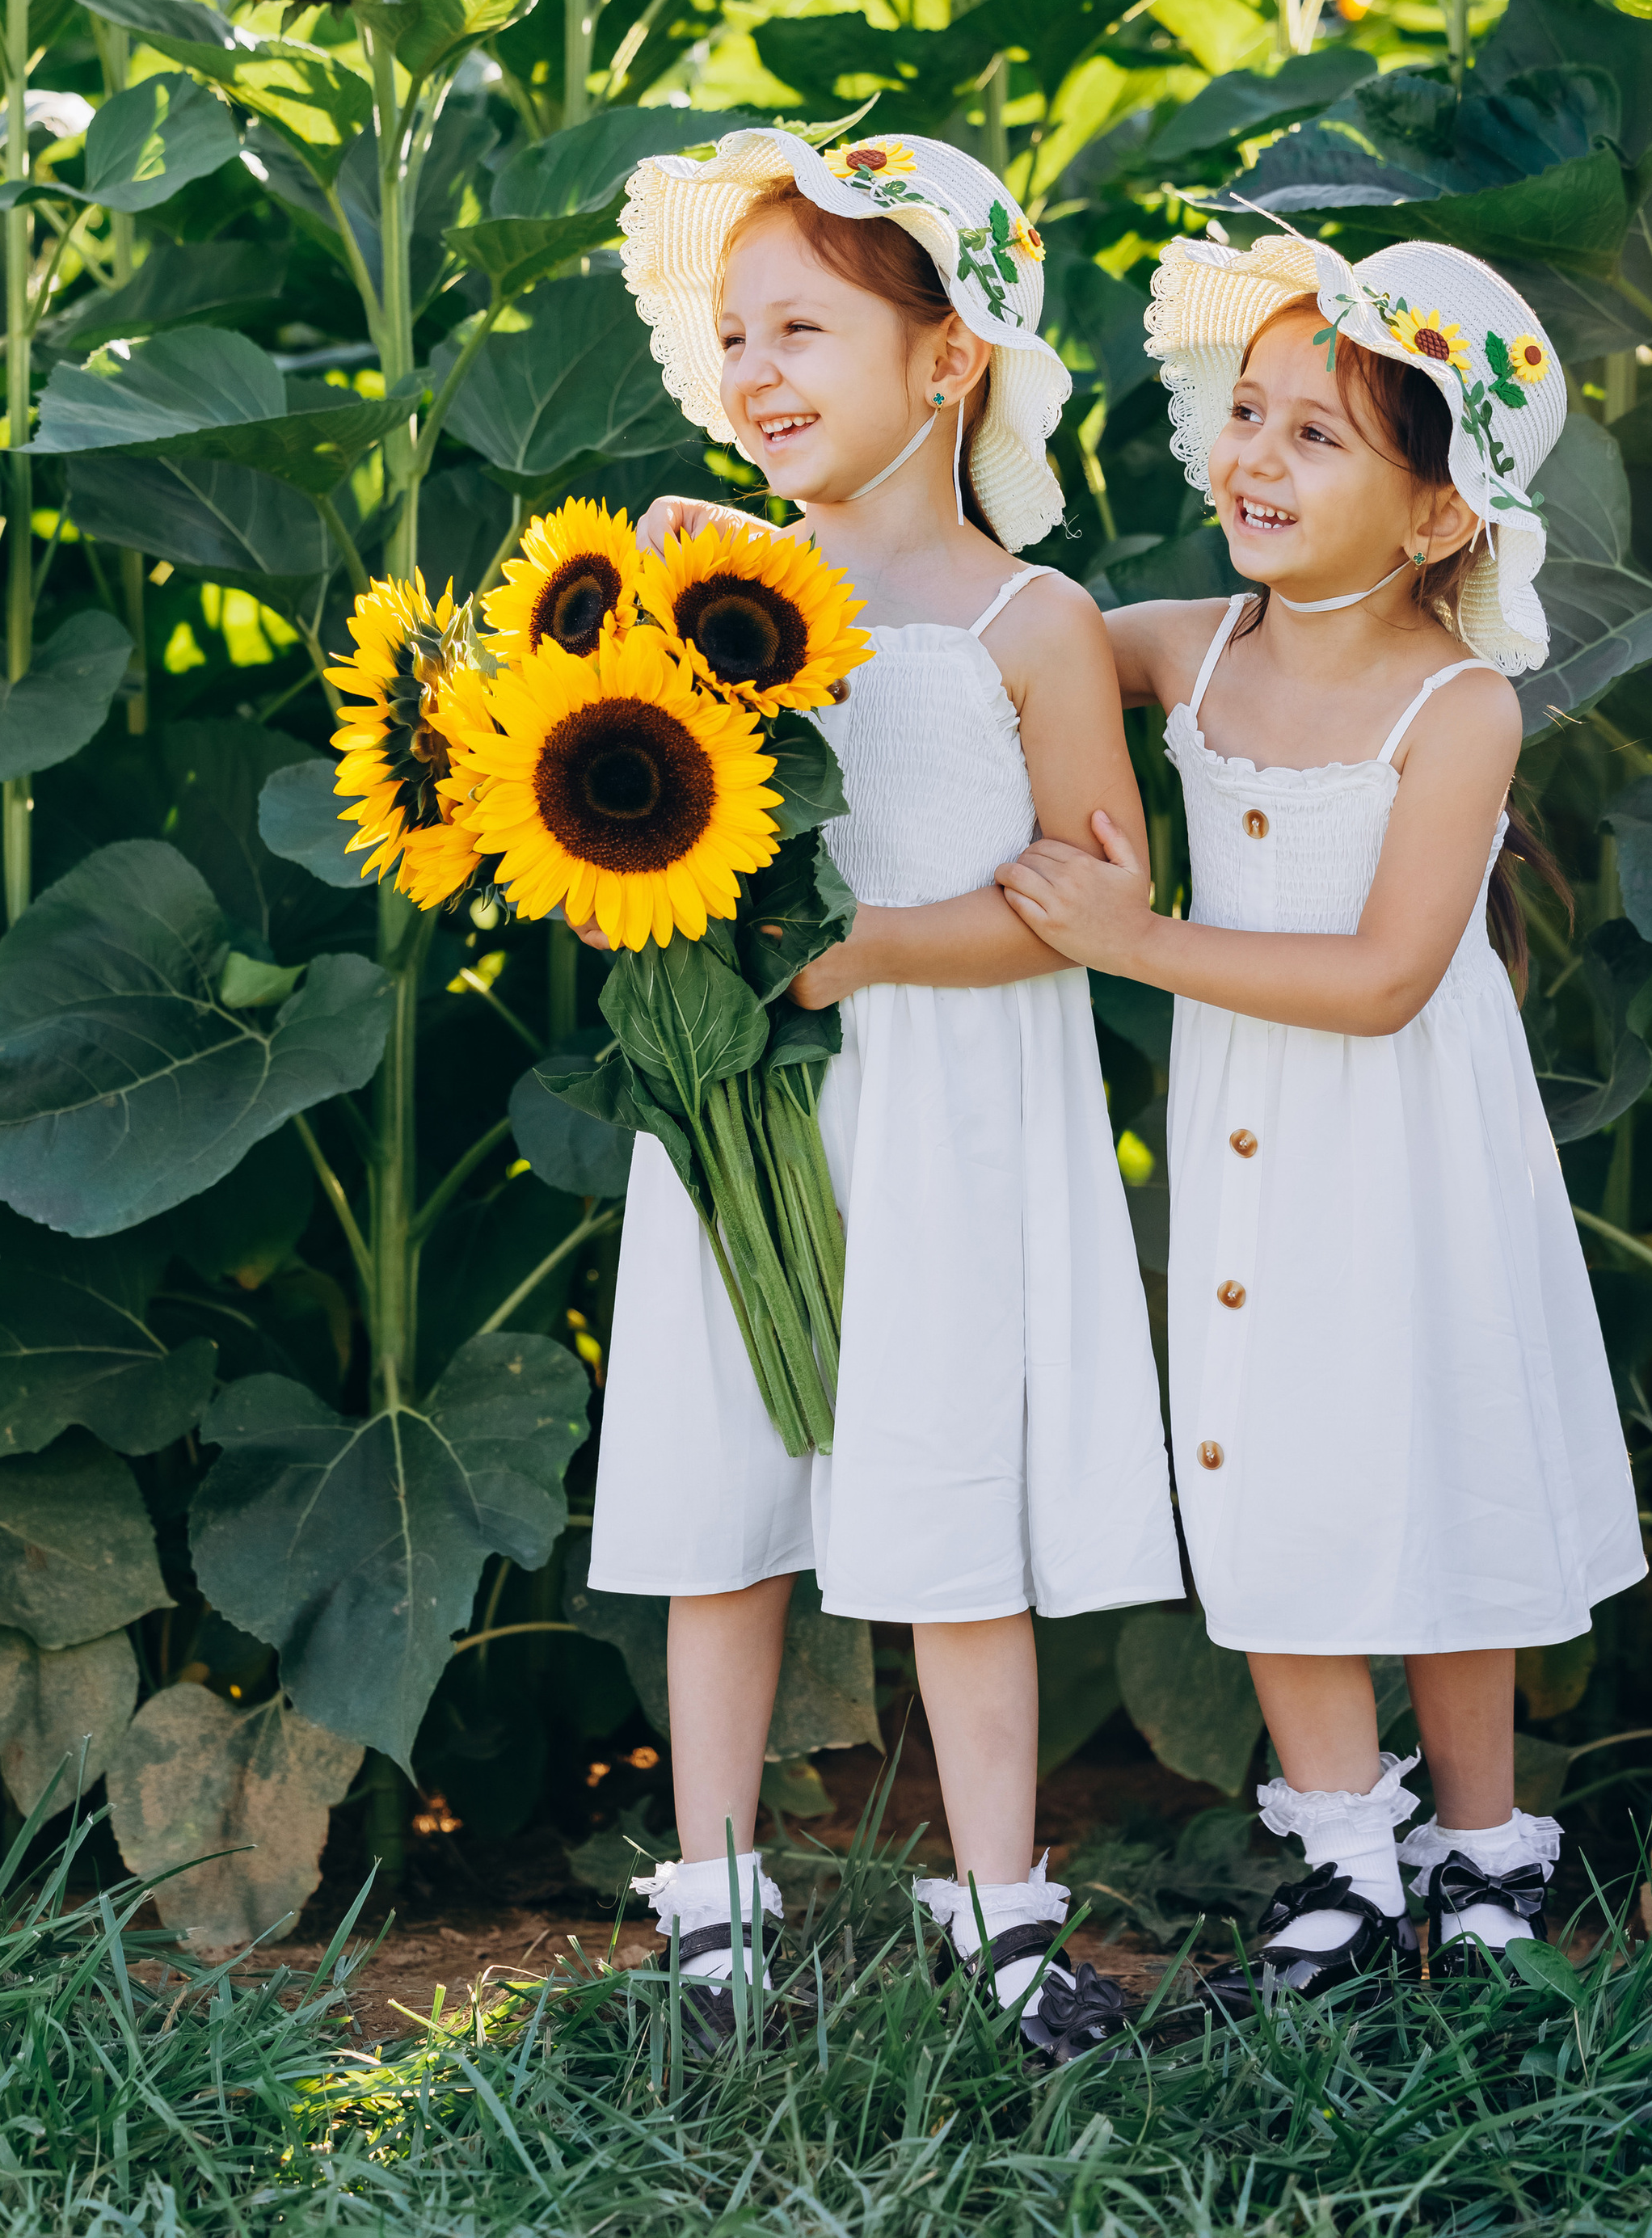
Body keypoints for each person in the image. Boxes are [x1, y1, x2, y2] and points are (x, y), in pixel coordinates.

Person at [997, 223, 1644, 2004]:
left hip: (1408, 1148)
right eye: (1248, 413)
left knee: (1438, 1460)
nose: (1252, 458)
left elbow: (1380, 976)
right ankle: (1345, 1852)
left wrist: (1135, 937)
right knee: (1264, 1463)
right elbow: (1021, 637)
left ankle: (1482, 1849)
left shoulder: (1458, 707)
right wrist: (780, 567)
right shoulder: (1193, 649)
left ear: (1438, 514)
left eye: (1316, 434)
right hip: (1246, 1156)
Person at [588, 125, 1182, 2055]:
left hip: (943, 1111)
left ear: (945, 360)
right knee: (726, 1486)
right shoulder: (710, 586)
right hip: (757, 1106)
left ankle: (1004, 1908)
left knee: (948, 1496)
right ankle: (713, 1899)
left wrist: (870, 953)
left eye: (801, 327)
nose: (751, 370)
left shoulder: (1031, 624)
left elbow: (1099, 903)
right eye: (730, 331)